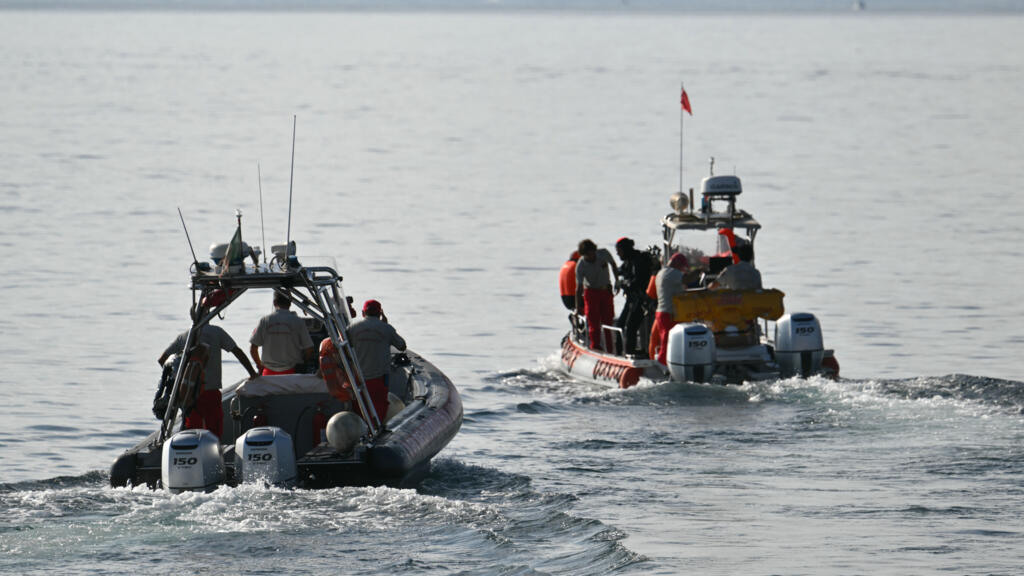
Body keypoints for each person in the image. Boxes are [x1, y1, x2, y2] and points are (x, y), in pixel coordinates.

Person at [158, 323, 257, 438]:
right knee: (214, 433)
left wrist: (179, 380)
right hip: (210, 392)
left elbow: (162, 360)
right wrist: (252, 373)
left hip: (189, 395)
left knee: (192, 432)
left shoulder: (184, 336)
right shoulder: (216, 332)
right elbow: (237, 352)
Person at [348, 299, 407, 425]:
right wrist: (386, 326)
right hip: (379, 379)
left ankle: (360, 432)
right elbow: (402, 346)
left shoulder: (352, 328)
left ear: (363, 313)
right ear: (380, 314)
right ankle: (376, 432)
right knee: (379, 407)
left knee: (359, 406)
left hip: (357, 378)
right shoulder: (386, 329)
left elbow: (341, 346)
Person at [250, 291, 315, 376]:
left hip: (268, 372)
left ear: (274, 302)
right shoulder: (298, 321)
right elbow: (309, 349)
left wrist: (260, 366)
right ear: (290, 302)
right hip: (292, 372)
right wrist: (304, 363)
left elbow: (253, 349)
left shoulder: (264, 321)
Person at [574, 239, 619, 352]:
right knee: (593, 323)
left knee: (608, 321)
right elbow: (579, 288)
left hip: (605, 291)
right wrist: (578, 306)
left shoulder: (603, 254)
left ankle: (610, 349)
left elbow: (613, 265)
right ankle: (596, 348)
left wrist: (617, 281)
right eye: (588, 254)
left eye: (592, 252)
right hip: (591, 293)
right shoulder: (581, 265)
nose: (591, 256)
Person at [614, 237, 653, 357]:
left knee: (630, 327)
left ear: (625, 250)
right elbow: (621, 270)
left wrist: (623, 283)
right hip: (631, 299)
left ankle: (631, 352)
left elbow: (638, 281)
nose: (618, 254)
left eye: (619, 251)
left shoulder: (638, 260)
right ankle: (619, 352)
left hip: (640, 300)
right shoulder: (629, 260)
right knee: (620, 324)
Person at [649, 253, 689, 365]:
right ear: (676, 264)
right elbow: (687, 279)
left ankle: (666, 364)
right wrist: (700, 270)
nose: (682, 270)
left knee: (665, 341)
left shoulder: (662, 272)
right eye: (682, 267)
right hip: (669, 314)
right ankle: (662, 366)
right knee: (667, 342)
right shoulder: (673, 273)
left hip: (662, 312)